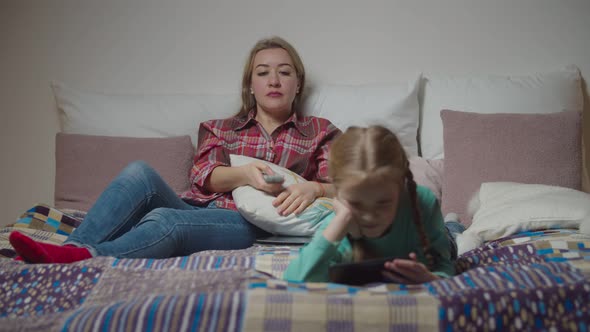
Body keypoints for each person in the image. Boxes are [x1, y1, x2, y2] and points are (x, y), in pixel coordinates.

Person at [9, 36, 341, 263]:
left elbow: (347, 187)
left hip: (247, 223)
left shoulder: (319, 131)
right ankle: (73, 248)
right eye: (263, 73)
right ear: (249, 86)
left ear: (298, 84)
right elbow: (203, 177)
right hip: (202, 206)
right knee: (138, 172)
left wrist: (314, 188)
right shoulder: (220, 128)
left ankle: (89, 258)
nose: (274, 81)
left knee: (165, 219)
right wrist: (245, 175)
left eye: (285, 73)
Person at [283, 125, 464, 284]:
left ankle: (453, 224)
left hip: (436, 234)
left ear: (400, 187)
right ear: (338, 193)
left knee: (453, 241)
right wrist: (341, 221)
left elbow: (444, 263)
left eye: (383, 203)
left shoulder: (422, 202)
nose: (369, 216)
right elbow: (294, 279)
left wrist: (432, 278)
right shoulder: (340, 221)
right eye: (356, 204)